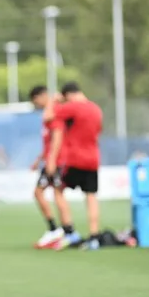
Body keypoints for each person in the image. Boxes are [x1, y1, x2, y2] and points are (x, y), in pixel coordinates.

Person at [45, 81, 102, 251]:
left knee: (58, 190)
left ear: (68, 95)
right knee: (91, 196)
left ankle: (70, 232)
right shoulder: (96, 109)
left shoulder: (73, 107)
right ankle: (94, 237)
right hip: (93, 158)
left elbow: (48, 117)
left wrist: (53, 101)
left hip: (75, 158)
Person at [29, 86, 66, 248]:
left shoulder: (53, 112)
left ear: (42, 96)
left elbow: (57, 137)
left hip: (56, 161)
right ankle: (60, 231)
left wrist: (51, 160)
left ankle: (59, 230)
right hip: (51, 159)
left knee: (45, 193)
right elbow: (48, 142)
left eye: (36, 100)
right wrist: (39, 159)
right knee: (49, 193)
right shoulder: (48, 114)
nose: (36, 104)